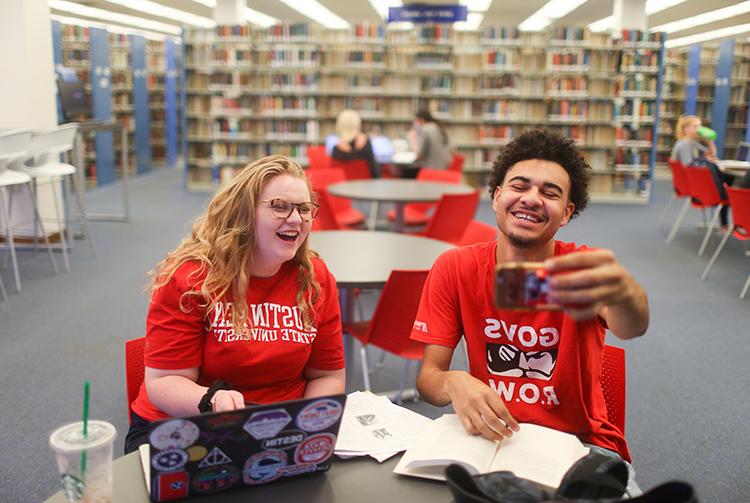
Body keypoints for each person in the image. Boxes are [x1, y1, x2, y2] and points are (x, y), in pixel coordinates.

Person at [411, 129, 649, 495]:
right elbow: (428, 377)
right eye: (519, 186)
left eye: (550, 193)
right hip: (490, 440)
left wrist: (625, 291)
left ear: (567, 212)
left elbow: (632, 326)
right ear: (496, 197)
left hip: (581, 446)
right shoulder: (454, 268)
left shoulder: (581, 271)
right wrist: (452, 382)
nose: (532, 199)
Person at [124, 155, 345, 454]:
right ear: (244, 213)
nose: (296, 218)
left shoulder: (315, 278)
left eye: (305, 209)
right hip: (187, 422)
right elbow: (164, 382)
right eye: (279, 206)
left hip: (280, 427)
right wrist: (214, 401)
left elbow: (328, 375)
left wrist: (306, 424)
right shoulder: (191, 278)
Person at [670, 114, 733, 228]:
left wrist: (709, 141)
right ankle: (724, 217)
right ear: (686, 129)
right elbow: (688, 166)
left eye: (700, 126)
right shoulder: (684, 144)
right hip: (696, 188)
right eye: (695, 127)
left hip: (695, 185)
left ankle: (724, 222)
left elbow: (712, 155)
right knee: (728, 182)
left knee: (727, 178)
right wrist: (704, 160)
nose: (698, 129)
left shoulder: (691, 142)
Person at [331, 109, 379, 178]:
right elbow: (374, 170)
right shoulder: (365, 143)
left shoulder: (336, 149)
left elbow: (334, 174)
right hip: (365, 186)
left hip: (340, 187)